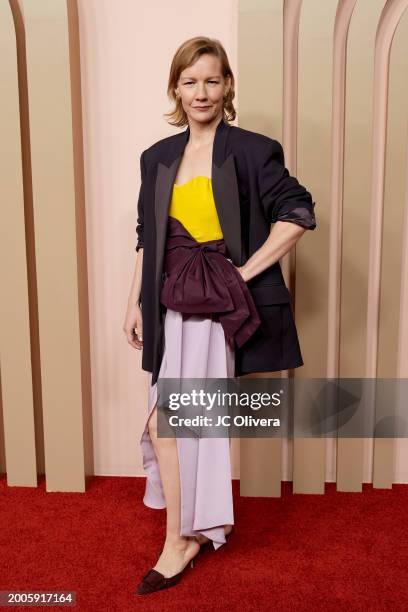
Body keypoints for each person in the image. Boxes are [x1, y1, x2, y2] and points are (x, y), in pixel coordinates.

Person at [123, 36, 317, 595]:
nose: (201, 92)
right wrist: (134, 301)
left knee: (181, 421)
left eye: (211, 80)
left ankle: (178, 541)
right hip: (169, 303)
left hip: (219, 310)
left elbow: (298, 212)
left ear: (227, 85)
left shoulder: (254, 150)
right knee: (176, 421)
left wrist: (243, 273)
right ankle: (197, 528)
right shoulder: (156, 156)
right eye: (190, 81)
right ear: (176, 89)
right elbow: (147, 238)